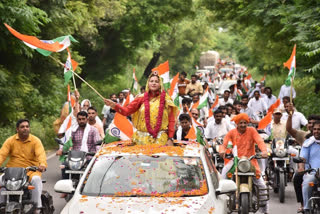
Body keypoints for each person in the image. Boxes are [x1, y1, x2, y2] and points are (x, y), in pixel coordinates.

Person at [104, 73, 178, 146]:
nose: (154, 83)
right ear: (148, 83)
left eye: (156, 81)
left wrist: (170, 138)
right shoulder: (141, 98)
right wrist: (114, 105)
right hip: (141, 139)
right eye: (151, 81)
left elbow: (171, 120)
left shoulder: (166, 99)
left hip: (160, 138)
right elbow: (126, 111)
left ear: (160, 84)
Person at [219, 113, 269, 214]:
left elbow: (260, 141)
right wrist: (222, 150)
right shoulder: (232, 132)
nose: (242, 125)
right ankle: (222, 204)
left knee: (262, 186)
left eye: (245, 123)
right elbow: (224, 143)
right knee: (223, 176)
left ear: (247, 123)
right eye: (240, 123)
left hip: (250, 162)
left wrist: (264, 151)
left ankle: (264, 210)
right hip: (235, 161)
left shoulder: (252, 130)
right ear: (237, 123)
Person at [0, 119, 47, 213]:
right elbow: (2, 154)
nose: (25, 129)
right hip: (12, 172)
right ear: (17, 129)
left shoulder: (35, 141)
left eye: (27, 126)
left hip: (30, 171)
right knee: (0, 180)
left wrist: (42, 164)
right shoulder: (10, 140)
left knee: (36, 180)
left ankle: (36, 208)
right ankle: (2, 205)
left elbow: (41, 154)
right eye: (22, 127)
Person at [300, 121, 320, 213]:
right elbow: (303, 157)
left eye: (319, 129)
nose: (316, 131)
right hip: (313, 173)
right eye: (315, 129)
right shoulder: (308, 143)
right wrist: (301, 167)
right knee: (307, 183)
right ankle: (307, 208)